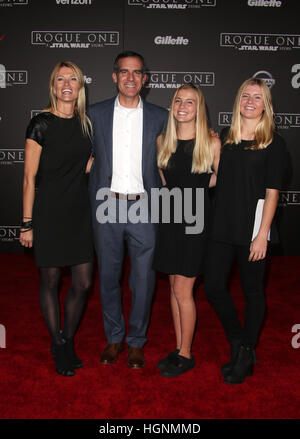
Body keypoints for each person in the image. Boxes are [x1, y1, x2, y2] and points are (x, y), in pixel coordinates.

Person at [204, 78, 288, 384]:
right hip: (222, 225)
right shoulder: (225, 137)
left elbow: (272, 192)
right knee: (213, 286)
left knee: (253, 291)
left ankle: (247, 349)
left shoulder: (274, 143)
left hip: (253, 228)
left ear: (265, 104)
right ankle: (238, 341)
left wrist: (262, 234)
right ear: (238, 100)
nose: (250, 101)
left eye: (257, 97)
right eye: (245, 96)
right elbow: (215, 178)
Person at [88, 51, 168, 369]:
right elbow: (76, 151)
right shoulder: (95, 114)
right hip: (106, 205)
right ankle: (114, 337)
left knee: (143, 280)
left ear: (145, 79)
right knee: (108, 276)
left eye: (137, 73)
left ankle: (136, 341)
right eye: (124, 72)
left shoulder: (162, 116)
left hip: (144, 207)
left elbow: (180, 152)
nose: (130, 78)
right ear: (114, 76)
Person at [20, 61, 94, 377]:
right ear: (53, 86)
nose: (67, 84)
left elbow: (86, 166)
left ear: (80, 87)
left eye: (72, 79)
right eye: (61, 79)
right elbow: (28, 176)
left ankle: (67, 337)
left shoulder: (86, 124)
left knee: (83, 282)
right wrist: (26, 223)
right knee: (50, 281)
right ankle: (59, 343)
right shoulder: (41, 124)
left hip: (79, 213)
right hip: (48, 211)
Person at [152, 83, 221, 377]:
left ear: (199, 107)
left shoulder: (211, 142)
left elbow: (220, 178)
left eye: (190, 102)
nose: (182, 106)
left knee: (184, 289)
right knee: (172, 286)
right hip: (169, 218)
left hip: (195, 222)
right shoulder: (162, 141)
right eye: (178, 100)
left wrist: (196, 193)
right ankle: (179, 345)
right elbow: (164, 180)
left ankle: (186, 353)